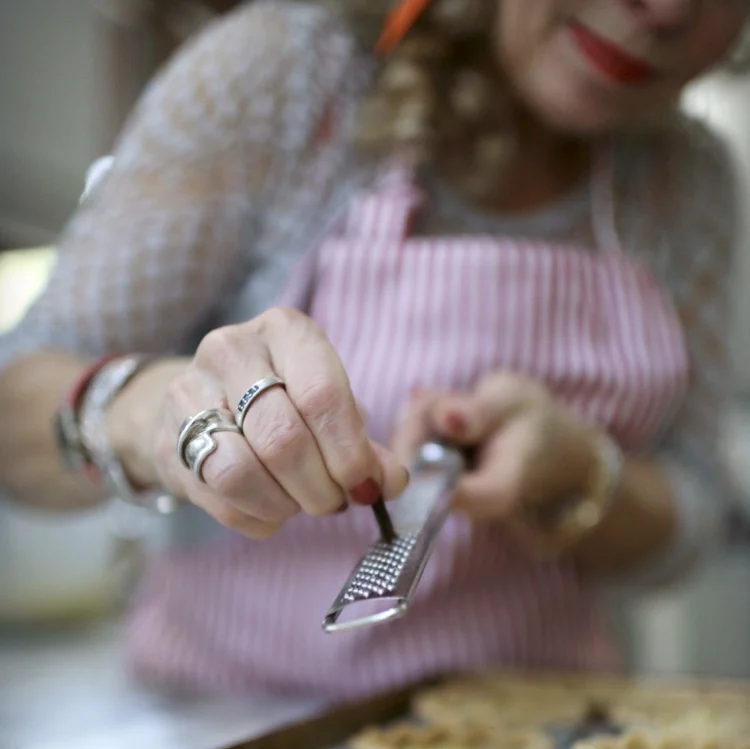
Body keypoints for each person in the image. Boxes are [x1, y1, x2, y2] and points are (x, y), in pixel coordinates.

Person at [0, 0, 747, 699]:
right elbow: (14, 414)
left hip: (531, 748)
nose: (670, 8)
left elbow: (693, 515)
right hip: (230, 737)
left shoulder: (687, 179)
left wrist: (580, 477)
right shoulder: (287, 83)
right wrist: (149, 415)